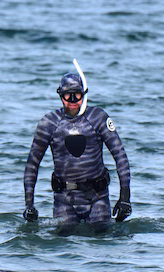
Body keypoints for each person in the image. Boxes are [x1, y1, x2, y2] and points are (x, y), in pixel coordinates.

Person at [22, 63, 131, 228]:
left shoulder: (98, 118)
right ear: (60, 96)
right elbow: (32, 164)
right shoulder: (49, 123)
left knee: (101, 239)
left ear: (84, 95)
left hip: (97, 197)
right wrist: (29, 205)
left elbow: (120, 156)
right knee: (63, 243)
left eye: (77, 95)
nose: (73, 101)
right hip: (64, 199)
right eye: (68, 96)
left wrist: (125, 199)